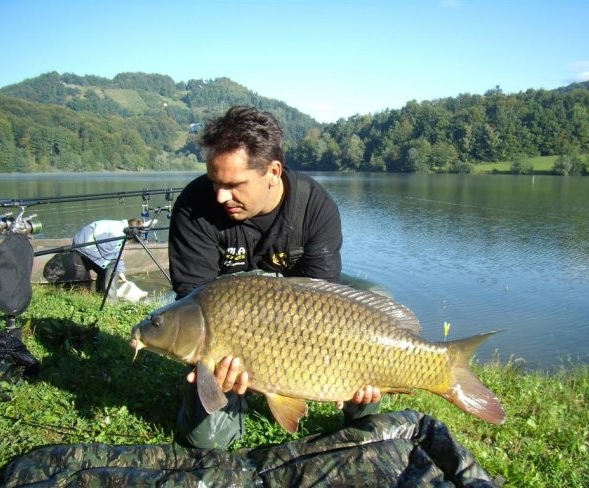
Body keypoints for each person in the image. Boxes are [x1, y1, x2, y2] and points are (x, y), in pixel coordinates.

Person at [168, 106, 381, 450]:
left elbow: (325, 299)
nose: (221, 196)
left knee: (376, 300)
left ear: (273, 171)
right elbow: (193, 302)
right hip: (232, 334)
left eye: (234, 185)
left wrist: (337, 367)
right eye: (214, 182)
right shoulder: (194, 209)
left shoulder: (315, 207)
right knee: (205, 440)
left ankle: (362, 405)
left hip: (300, 321)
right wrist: (216, 366)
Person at [73, 218, 142, 294]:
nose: (131, 239)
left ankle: (101, 294)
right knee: (111, 269)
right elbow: (107, 253)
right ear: (131, 231)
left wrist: (121, 271)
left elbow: (117, 253)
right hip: (84, 245)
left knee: (105, 270)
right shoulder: (116, 232)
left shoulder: (122, 230)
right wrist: (117, 270)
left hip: (87, 244)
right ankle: (110, 300)